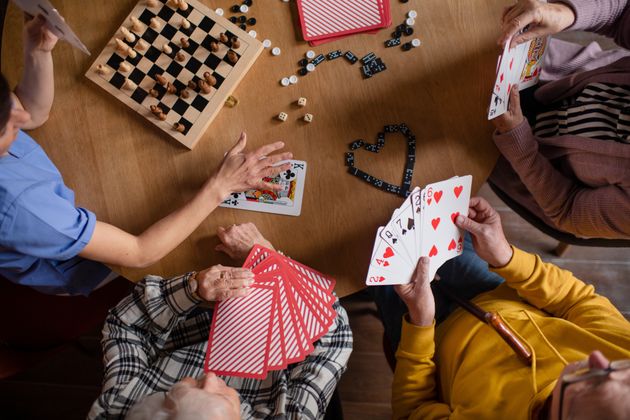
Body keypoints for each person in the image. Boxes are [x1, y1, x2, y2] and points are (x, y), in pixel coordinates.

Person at [0, 16, 291, 296]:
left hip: (63, 203)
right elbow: (140, 253)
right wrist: (221, 185)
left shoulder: (13, 122)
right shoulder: (24, 209)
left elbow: (32, 113)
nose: (20, 115)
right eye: (6, 128)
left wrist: (38, 51)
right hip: (91, 263)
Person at [370, 196, 630, 419]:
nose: (599, 358)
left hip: (428, 345)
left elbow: (412, 411)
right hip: (492, 291)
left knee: (367, 246)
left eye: (595, 380)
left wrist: (420, 323)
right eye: (622, 369)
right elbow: (577, 300)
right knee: (406, 204)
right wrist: (506, 257)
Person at [88, 223, 353, 419]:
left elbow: (125, 325)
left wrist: (191, 289)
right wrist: (270, 262)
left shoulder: (117, 410)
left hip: (181, 311)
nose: (211, 375)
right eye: (220, 397)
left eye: (187, 387)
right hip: (281, 320)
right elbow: (334, 339)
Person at [489, 0, 630, 239]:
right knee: (482, 36)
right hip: (567, 73)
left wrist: (518, 142)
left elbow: (567, 209)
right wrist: (564, 13)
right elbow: (622, 11)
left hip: (526, 162)